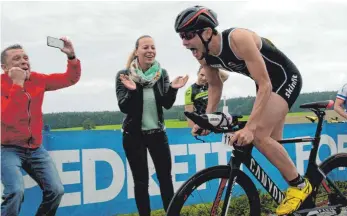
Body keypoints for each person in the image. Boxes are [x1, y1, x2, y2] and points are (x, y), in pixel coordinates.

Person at [174, 6, 310, 215]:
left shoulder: (238, 39)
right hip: (264, 84)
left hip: (284, 79)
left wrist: (251, 128)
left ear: (207, 32)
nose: (184, 42)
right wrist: (207, 119)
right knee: (272, 141)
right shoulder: (203, 54)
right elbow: (215, 86)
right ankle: (305, 200)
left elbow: (265, 84)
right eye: (182, 37)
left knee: (259, 135)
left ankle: (300, 186)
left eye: (188, 35)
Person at [1, 38, 81, 216]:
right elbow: (8, 117)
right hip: (7, 149)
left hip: (35, 148)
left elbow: (70, 78)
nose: (23, 61)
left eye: (25, 57)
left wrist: (71, 57)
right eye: (16, 59)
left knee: (56, 190)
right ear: (5, 68)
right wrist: (18, 84)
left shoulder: (38, 79)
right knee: (15, 191)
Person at [115, 35, 188, 216]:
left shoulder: (161, 74)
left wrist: (173, 88)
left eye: (153, 47)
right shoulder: (124, 75)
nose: (150, 51)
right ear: (137, 51)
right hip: (134, 135)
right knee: (141, 182)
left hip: (157, 134)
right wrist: (133, 91)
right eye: (146, 47)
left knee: (165, 179)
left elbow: (166, 103)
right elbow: (124, 106)